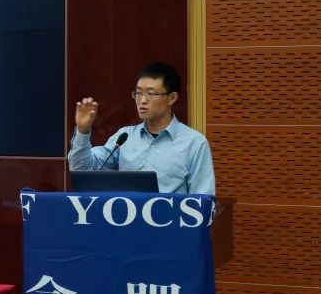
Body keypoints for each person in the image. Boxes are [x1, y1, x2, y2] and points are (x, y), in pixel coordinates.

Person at [67, 62, 215, 195]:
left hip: (170, 217)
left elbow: (202, 200)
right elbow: (82, 171)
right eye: (138, 93)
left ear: (172, 98)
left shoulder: (194, 143)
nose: (142, 100)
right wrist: (82, 130)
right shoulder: (124, 137)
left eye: (150, 94)